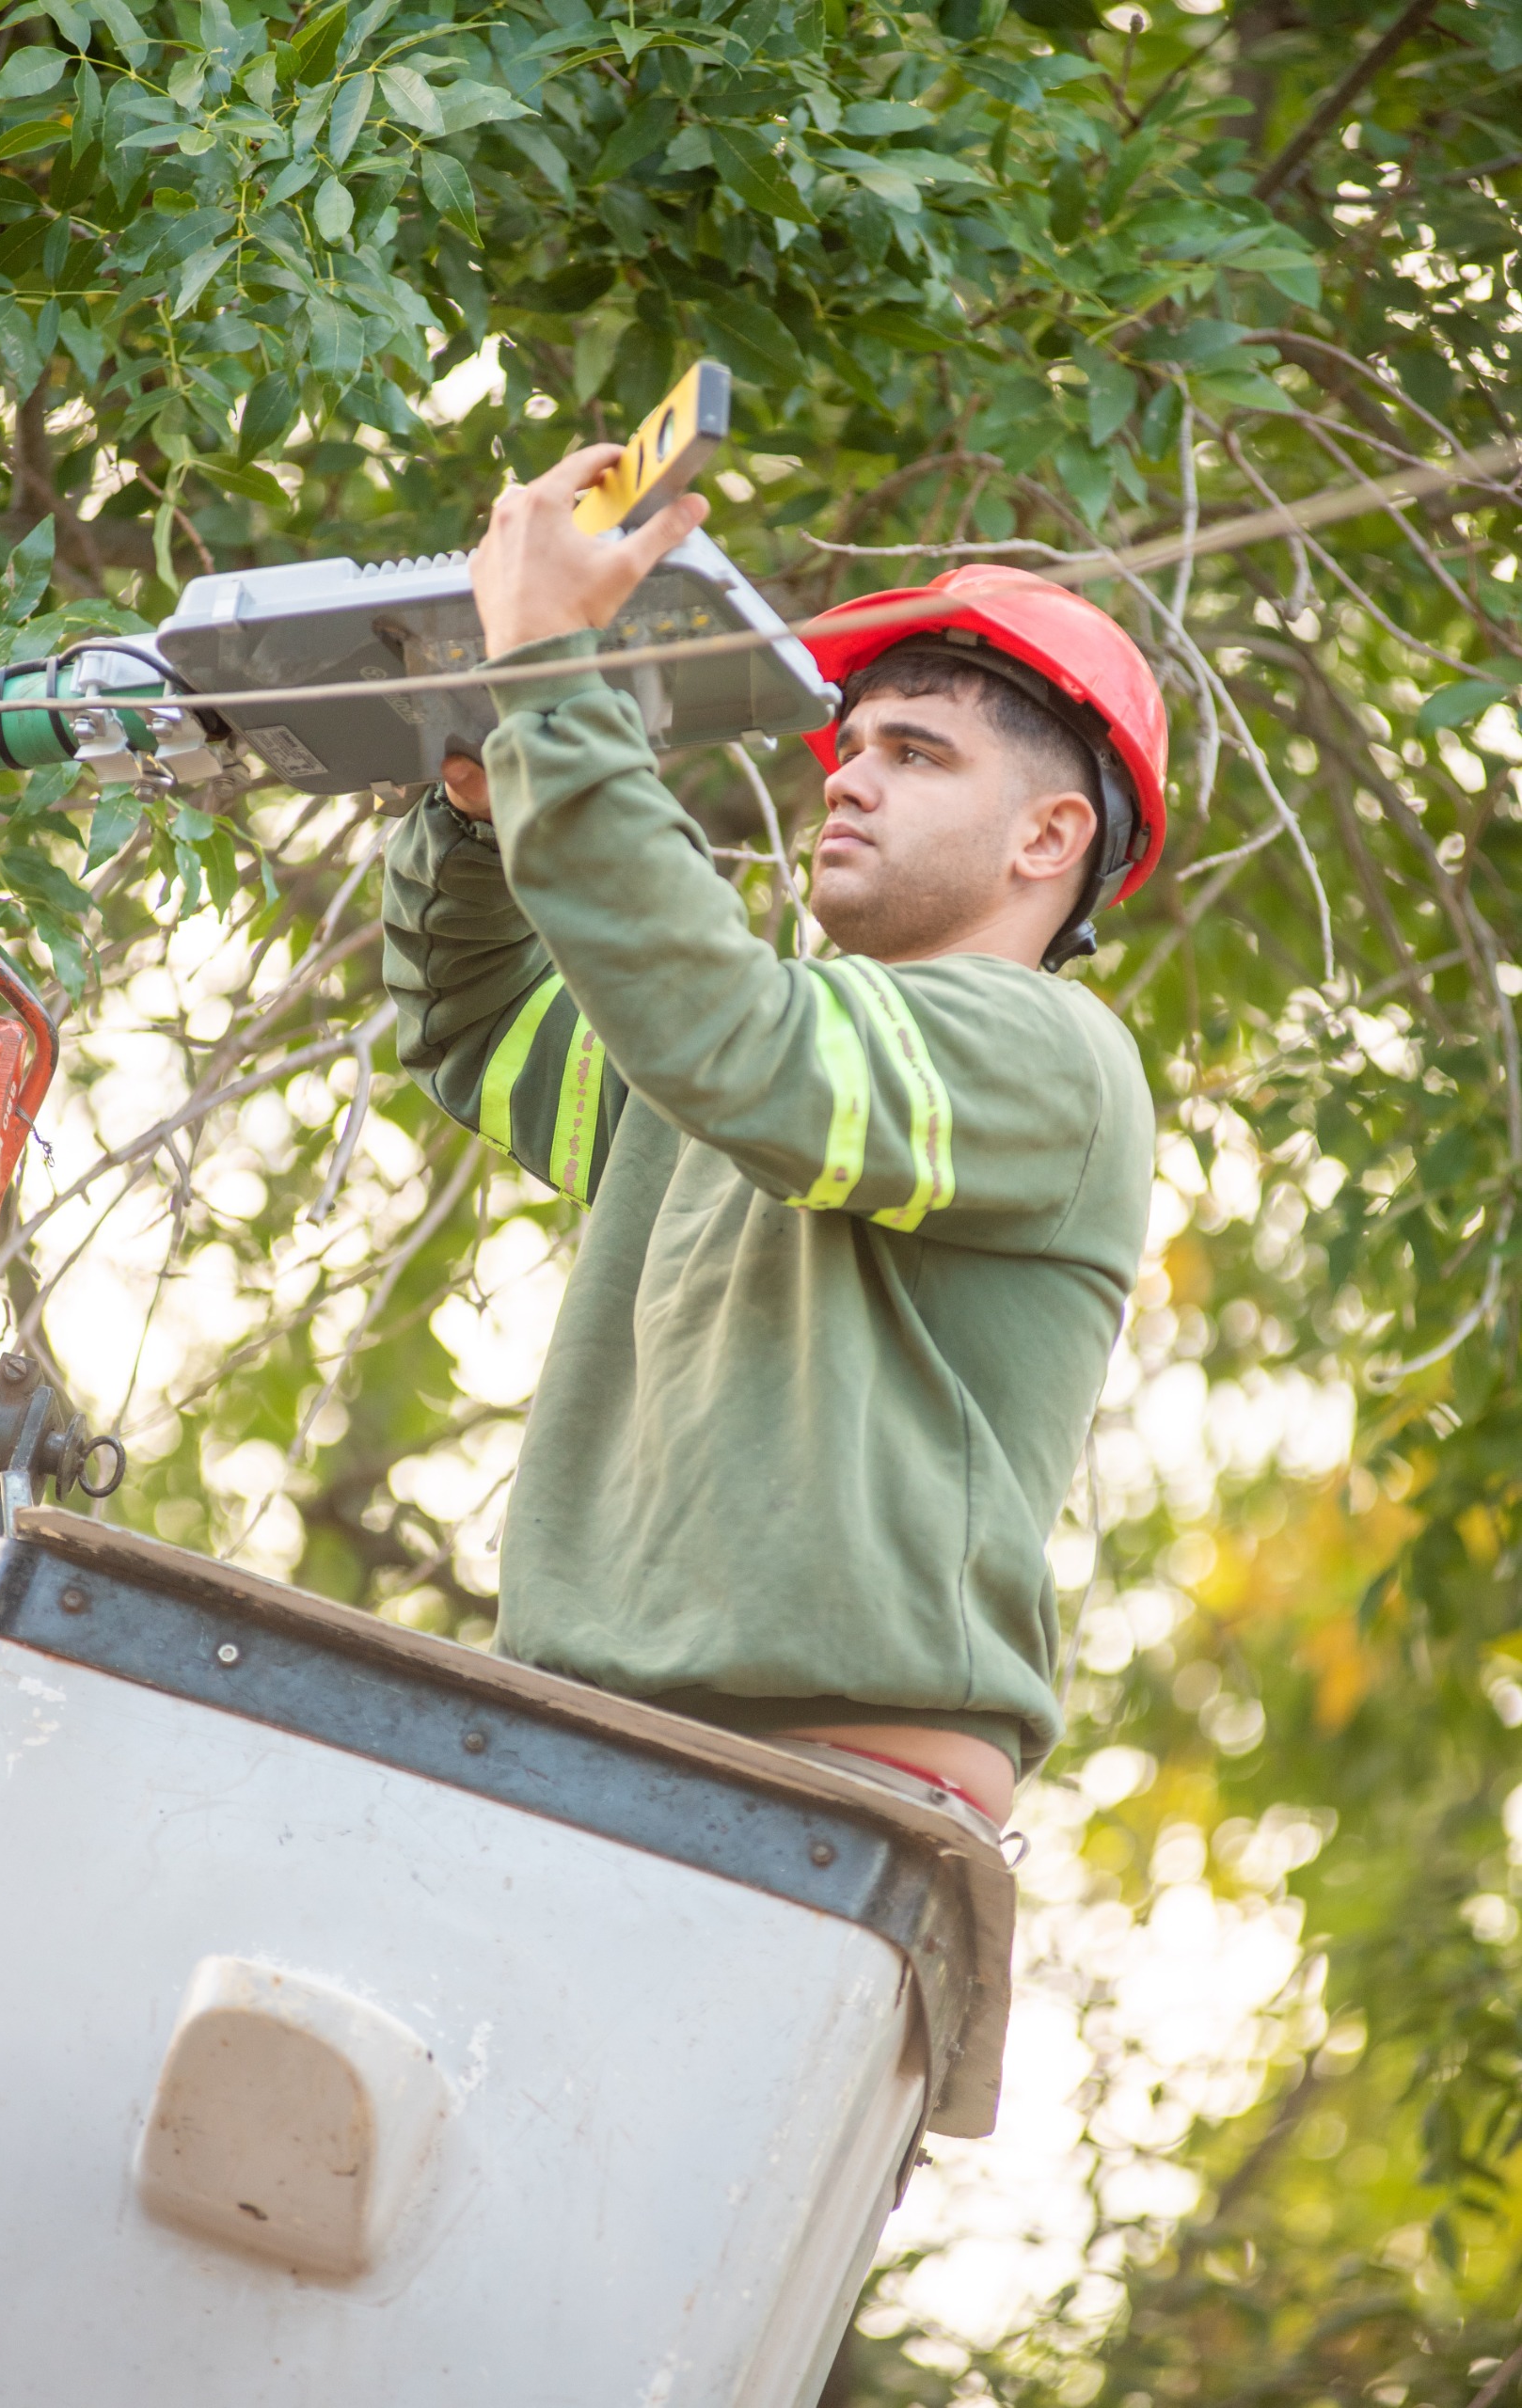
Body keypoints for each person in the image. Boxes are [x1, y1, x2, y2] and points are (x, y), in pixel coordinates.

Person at [381, 446, 1167, 1832]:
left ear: (1051, 836)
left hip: (827, 1802)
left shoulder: (1051, 1057)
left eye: (914, 753)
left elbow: (730, 1035)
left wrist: (555, 684)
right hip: (588, 1763)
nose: (848, 783)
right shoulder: (752, 1077)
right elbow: (477, 1022)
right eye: (849, 749)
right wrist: (475, 804)